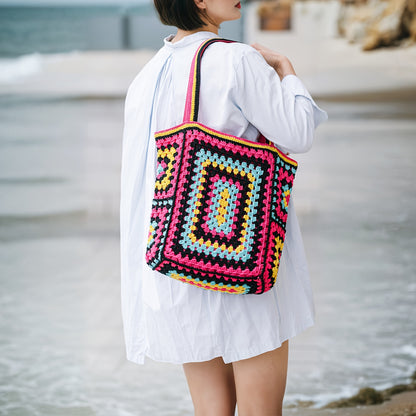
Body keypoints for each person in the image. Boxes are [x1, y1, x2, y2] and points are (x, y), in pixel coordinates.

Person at [120, 0, 328, 414]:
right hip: (241, 258)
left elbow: (138, 183)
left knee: (211, 410)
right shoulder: (237, 59)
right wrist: (287, 73)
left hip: (176, 262)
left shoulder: (146, 76)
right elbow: (298, 132)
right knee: (260, 409)